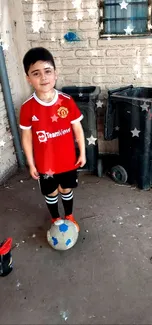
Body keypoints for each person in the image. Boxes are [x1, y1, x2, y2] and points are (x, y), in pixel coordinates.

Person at [19, 47, 86, 232]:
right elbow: (26, 138)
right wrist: (31, 164)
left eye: (47, 71)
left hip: (67, 162)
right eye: (36, 73)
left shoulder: (66, 101)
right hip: (44, 164)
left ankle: (69, 216)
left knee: (66, 190)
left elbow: (77, 129)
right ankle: (55, 218)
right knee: (51, 192)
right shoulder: (27, 108)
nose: (43, 77)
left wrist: (83, 152)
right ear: (28, 78)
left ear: (55, 74)